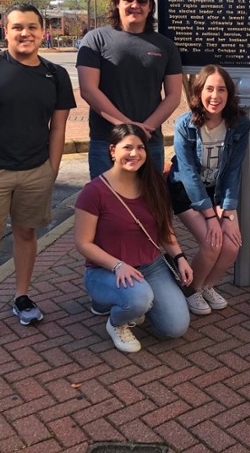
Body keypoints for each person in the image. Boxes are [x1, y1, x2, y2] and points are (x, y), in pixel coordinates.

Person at [0, 3, 76, 325]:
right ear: (5, 31)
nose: (25, 33)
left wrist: (52, 170)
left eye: (32, 27)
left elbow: (58, 127)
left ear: (41, 31)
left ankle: (21, 296)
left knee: (26, 233)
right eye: (18, 27)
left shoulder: (56, 74)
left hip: (36, 171)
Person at [74, 124, 192, 353]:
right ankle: (116, 321)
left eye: (140, 147)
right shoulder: (94, 191)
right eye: (127, 147)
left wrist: (180, 257)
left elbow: (164, 229)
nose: (134, 153)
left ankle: (133, 304)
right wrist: (118, 265)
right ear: (112, 150)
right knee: (139, 297)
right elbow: (83, 243)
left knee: (175, 327)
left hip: (151, 266)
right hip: (106, 269)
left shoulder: (154, 184)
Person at [77, 0, 183, 178]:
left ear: (150, 7)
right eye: (128, 0)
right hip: (107, 142)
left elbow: (174, 96)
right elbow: (88, 90)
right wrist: (129, 128)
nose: (135, 5)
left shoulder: (166, 46)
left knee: (148, 206)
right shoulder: (95, 40)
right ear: (117, 3)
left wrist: (145, 129)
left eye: (142, 1)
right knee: (107, 206)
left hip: (149, 143)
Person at [166, 65, 250, 315]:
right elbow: (189, 176)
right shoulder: (185, 125)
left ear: (229, 93)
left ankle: (205, 286)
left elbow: (233, 171)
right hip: (186, 191)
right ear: (199, 92)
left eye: (221, 89)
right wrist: (211, 217)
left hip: (217, 192)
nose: (215, 96)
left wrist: (229, 214)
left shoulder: (239, 124)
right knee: (212, 243)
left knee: (232, 246)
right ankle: (190, 290)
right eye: (209, 89)